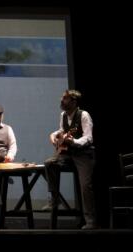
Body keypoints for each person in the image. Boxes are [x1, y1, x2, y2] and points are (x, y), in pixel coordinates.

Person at [44, 90, 98, 229]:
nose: (61, 101)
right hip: (68, 154)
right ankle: (55, 198)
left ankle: (90, 220)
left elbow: (88, 137)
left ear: (74, 102)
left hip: (84, 154)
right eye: (62, 98)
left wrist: (74, 142)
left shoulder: (83, 115)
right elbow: (62, 130)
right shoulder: (63, 115)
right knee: (50, 163)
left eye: (65, 99)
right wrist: (54, 134)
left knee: (85, 186)